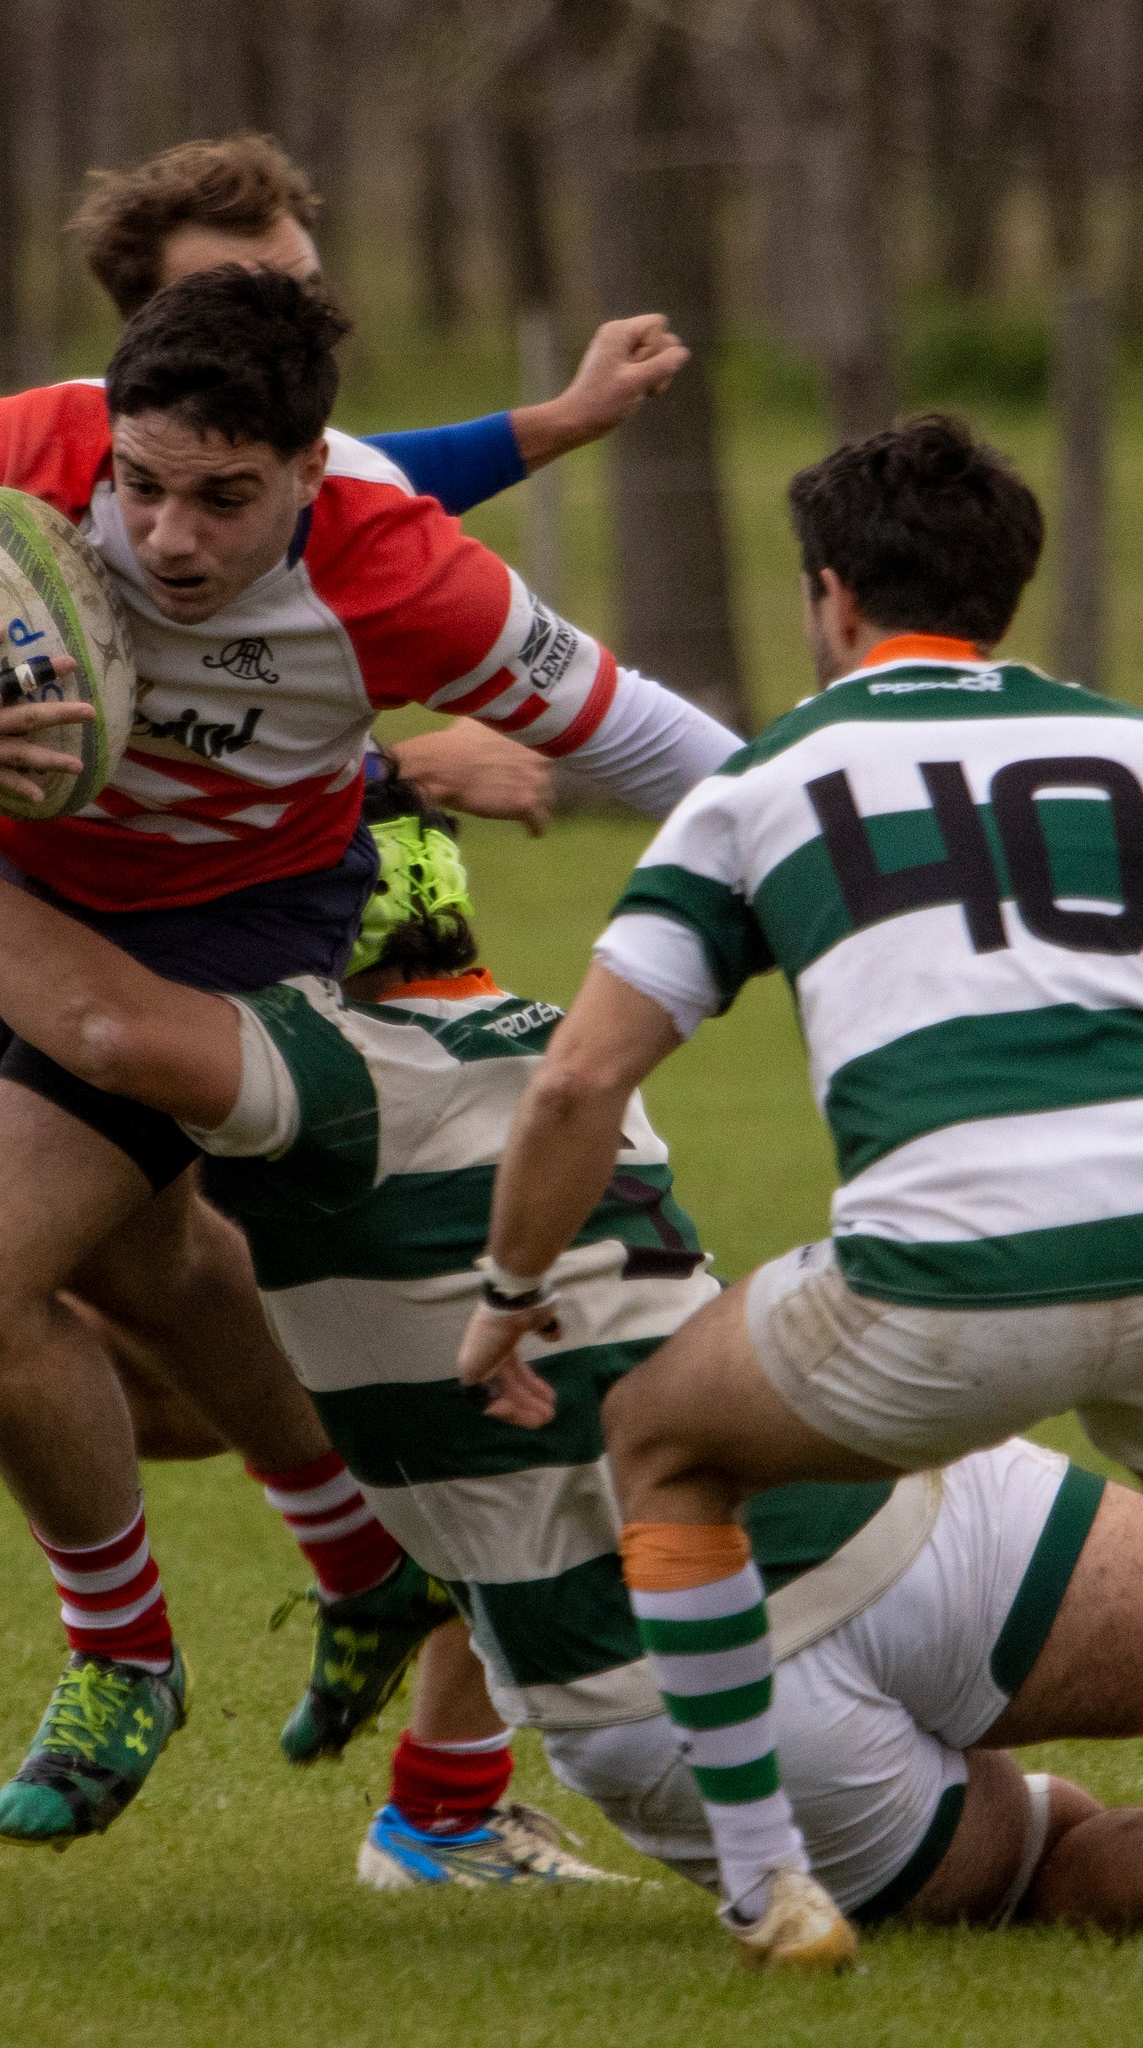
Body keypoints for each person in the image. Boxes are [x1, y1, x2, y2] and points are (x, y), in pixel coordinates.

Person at [0, 262, 734, 1853]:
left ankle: (123, 1658)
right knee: (154, 1270)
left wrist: (851, 840)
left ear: (311, 470)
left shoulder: (405, 574)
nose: (166, 539)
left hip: (245, 927)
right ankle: (366, 1571)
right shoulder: (19, 452)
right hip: (25, 902)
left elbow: (659, 742)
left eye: (223, 502)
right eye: (143, 489)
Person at [0, 774, 1143, 1959]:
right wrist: (391, 760)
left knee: (1047, 1871)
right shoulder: (559, 1042)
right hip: (879, 1508)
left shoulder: (321, 1073)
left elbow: (105, 1030)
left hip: (658, 1680)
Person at [458, 410, 1143, 1960]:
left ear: (828, 597)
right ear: (1005, 598)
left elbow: (577, 1081)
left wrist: (505, 1299)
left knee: (662, 1443)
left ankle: (769, 1886)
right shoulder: (1130, 744)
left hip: (942, 1291)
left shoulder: (765, 778)